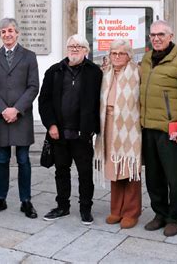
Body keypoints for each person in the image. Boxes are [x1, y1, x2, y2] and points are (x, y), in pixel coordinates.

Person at [140, 20, 177, 236]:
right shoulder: (146, 59)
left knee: (174, 177)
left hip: (172, 131)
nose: (156, 38)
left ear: (171, 36)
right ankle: (160, 213)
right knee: (153, 177)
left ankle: (175, 217)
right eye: (152, 35)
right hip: (148, 128)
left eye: (161, 34)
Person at [38, 34, 103, 225]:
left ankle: (85, 209)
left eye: (79, 46)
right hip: (59, 133)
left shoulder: (95, 73)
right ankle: (62, 206)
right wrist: (51, 125)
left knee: (85, 173)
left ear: (86, 50)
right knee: (61, 171)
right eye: (71, 46)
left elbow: (100, 102)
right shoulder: (54, 71)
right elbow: (44, 101)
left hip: (82, 135)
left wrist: (92, 128)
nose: (74, 49)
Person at [0, 18, 39, 219]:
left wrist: (16, 109)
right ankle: (1, 198)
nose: (7, 34)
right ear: (0, 35)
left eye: (11, 31)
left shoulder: (29, 56)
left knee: (24, 160)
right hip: (1, 117)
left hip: (21, 117)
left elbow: (33, 86)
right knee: (2, 159)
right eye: (3, 32)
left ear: (17, 33)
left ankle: (26, 200)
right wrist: (3, 109)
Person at [94, 39, 142, 229]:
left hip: (131, 126)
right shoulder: (105, 72)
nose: (117, 56)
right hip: (109, 124)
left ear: (129, 55)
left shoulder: (137, 72)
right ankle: (116, 210)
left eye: (121, 53)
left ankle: (131, 212)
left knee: (130, 169)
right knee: (114, 168)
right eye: (113, 53)